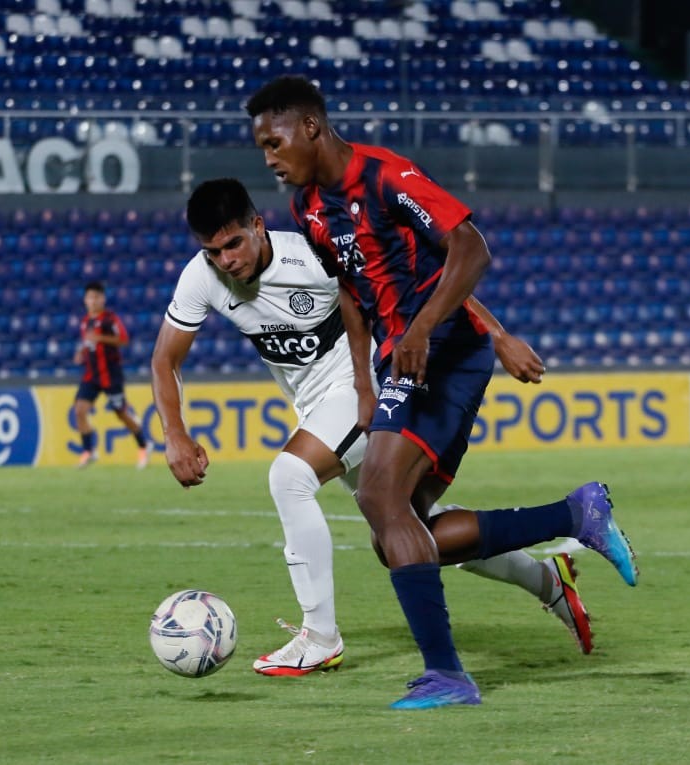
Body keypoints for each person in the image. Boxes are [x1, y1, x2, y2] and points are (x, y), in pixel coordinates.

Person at [247, 76, 638, 709]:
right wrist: (362, 381)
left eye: (274, 140)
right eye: (261, 146)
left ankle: (448, 675)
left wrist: (464, 332)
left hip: (442, 352)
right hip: (401, 356)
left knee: (377, 495)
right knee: (400, 531)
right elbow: (353, 292)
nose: (268, 156)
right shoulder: (308, 209)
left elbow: (469, 247)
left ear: (311, 127)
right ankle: (576, 515)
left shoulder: (386, 176)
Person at [150, 178, 595, 679]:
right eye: (213, 252)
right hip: (316, 407)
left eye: (234, 244)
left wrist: (499, 337)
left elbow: (418, 290)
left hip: (365, 388)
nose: (226, 260)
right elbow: (165, 360)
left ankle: (320, 637)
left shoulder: (312, 257)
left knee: (289, 476)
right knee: (407, 533)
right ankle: (548, 581)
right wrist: (175, 433)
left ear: (257, 226)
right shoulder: (201, 278)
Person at [72, 280, 153, 469]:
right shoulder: (85, 322)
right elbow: (89, 345)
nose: (92, 301)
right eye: (89, 297)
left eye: (96, 297)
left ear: (103, 299)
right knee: (79, 410)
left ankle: (144, 445)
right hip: (91, 376)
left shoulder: (110, 319)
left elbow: (124, 339)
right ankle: (88, 451)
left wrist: (100, 338)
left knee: (121, 414)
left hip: (110, 375)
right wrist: (81, 353)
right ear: (85, 300)